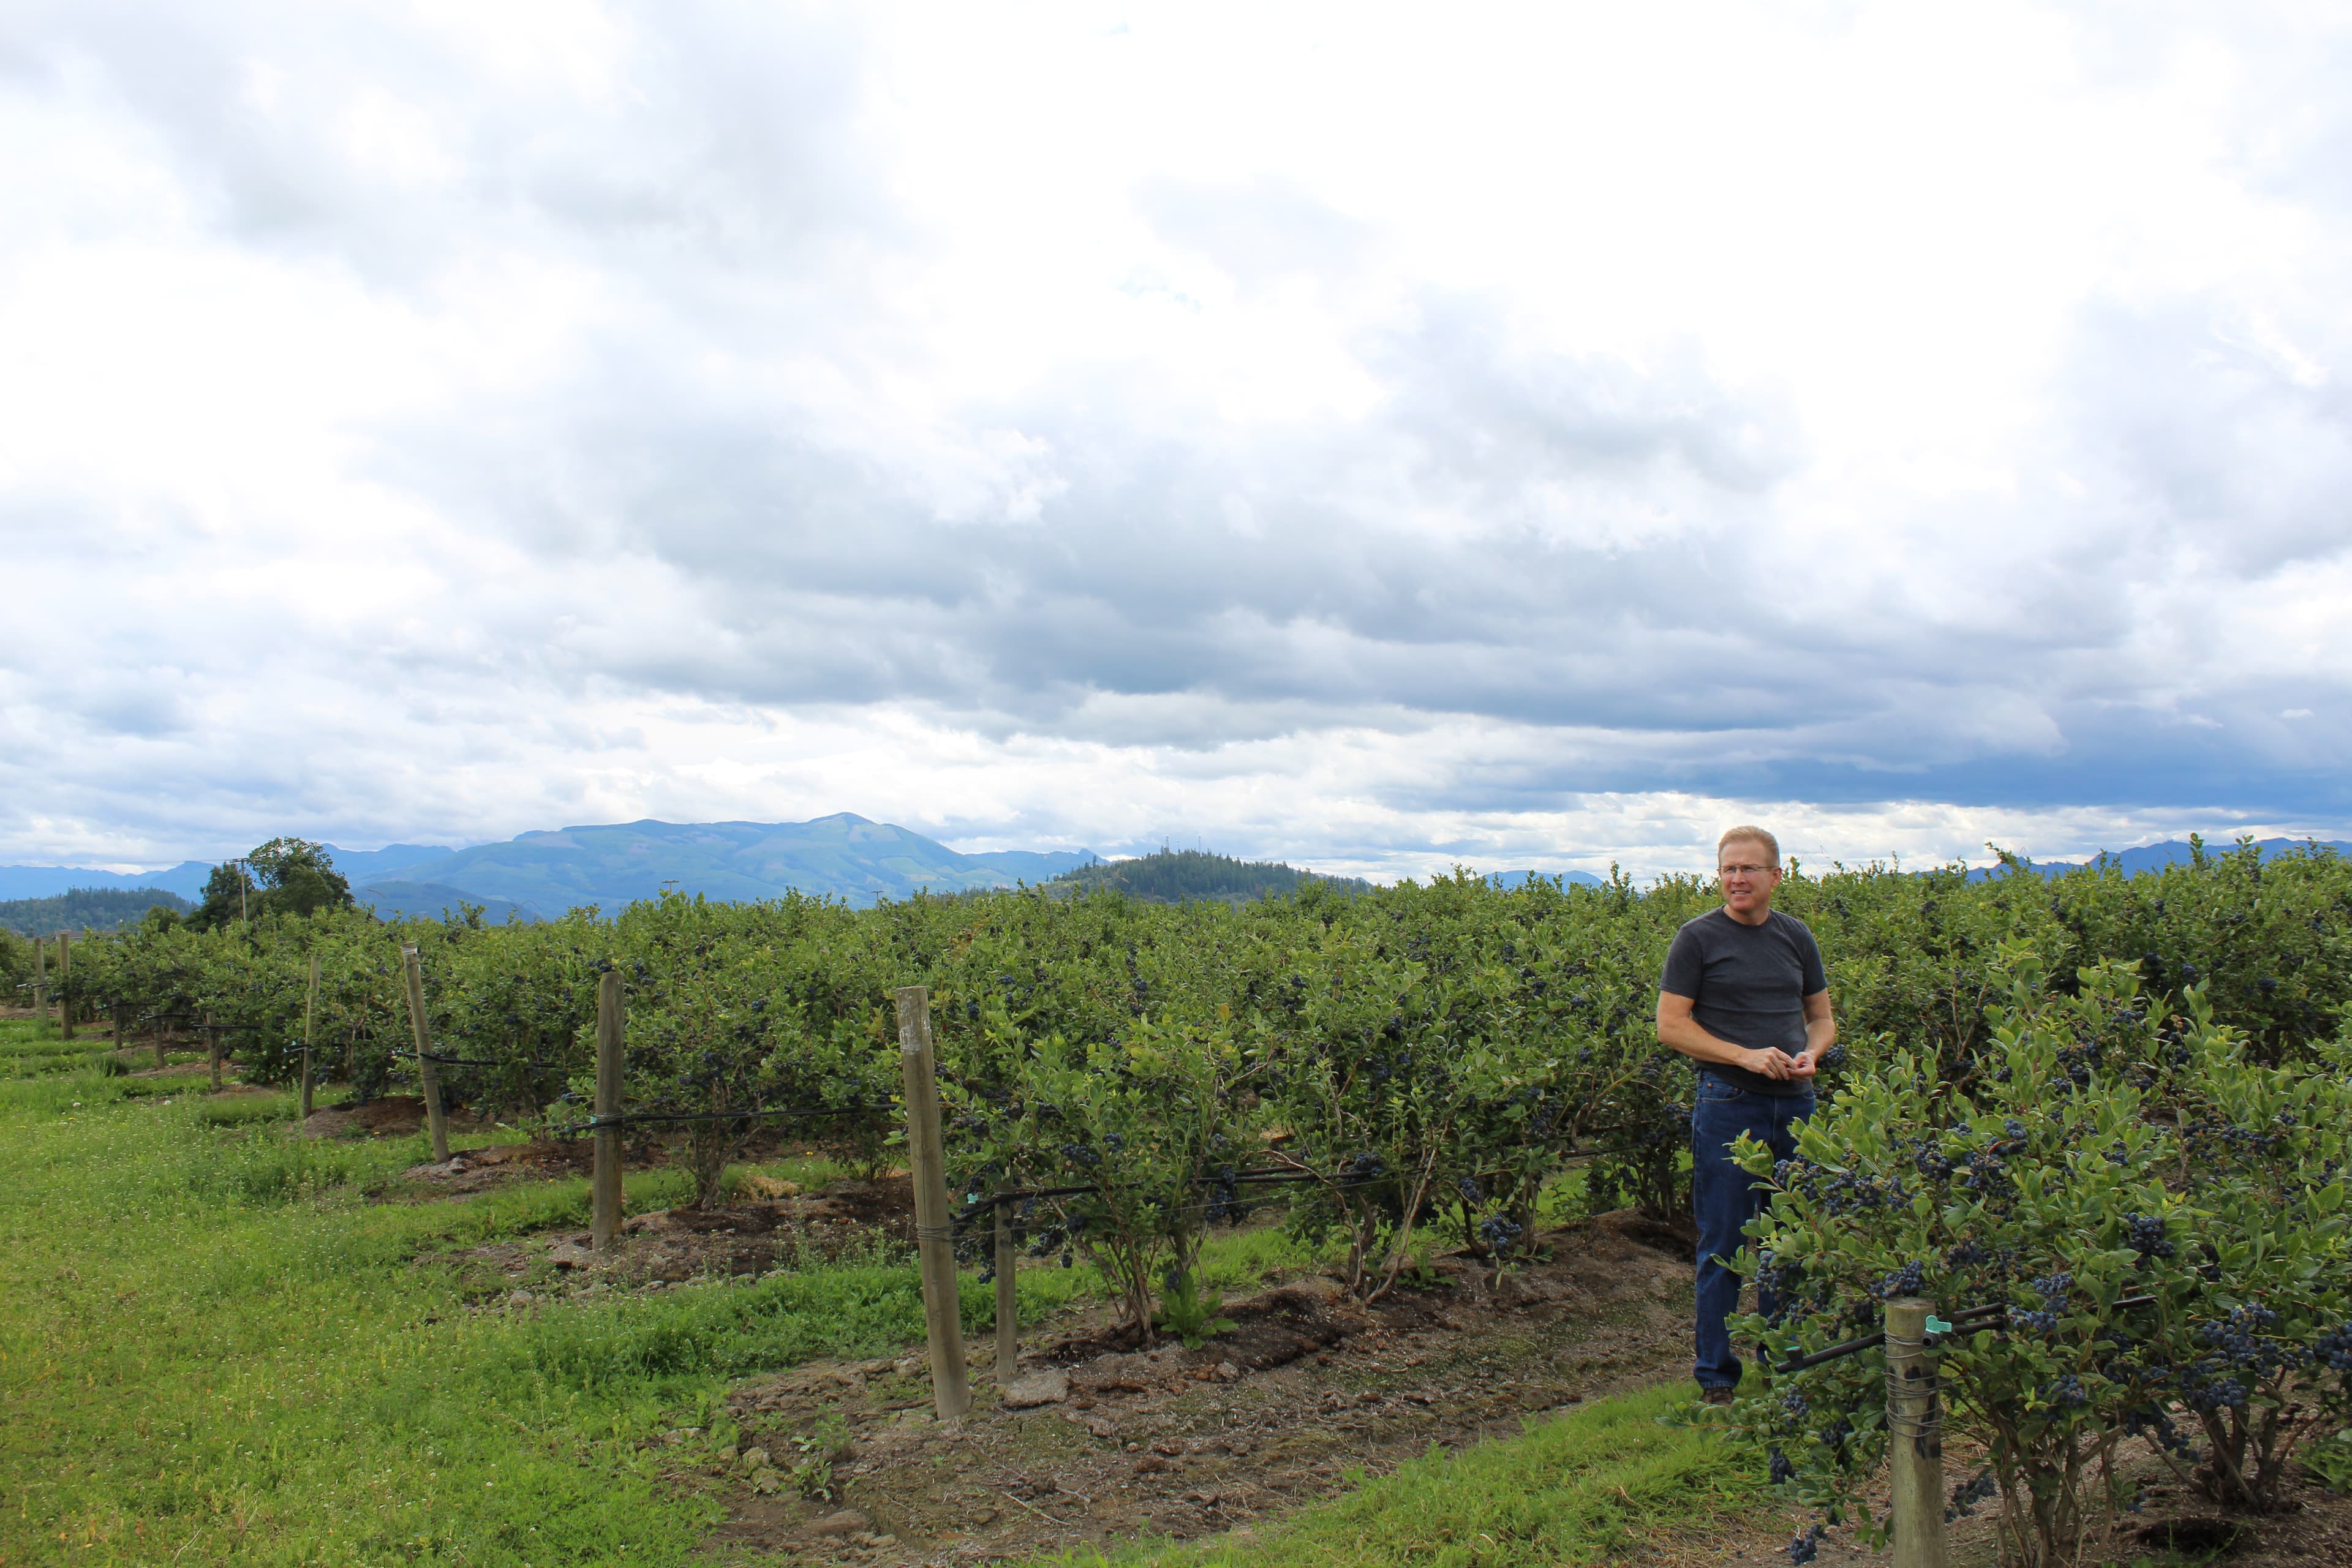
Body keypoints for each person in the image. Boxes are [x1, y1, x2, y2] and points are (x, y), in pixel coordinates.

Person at [1656, 825, 1835, 1403]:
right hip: (1729, 1104)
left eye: (1748, 869)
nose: (1737, 879)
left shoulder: (1796, 937)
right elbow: (1671, 1027)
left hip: (1796, 1105)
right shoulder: (1697, 939)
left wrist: (1813, 1054)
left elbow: (1821, 1018)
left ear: (1776, 876)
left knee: (1789, 1240)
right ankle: (1716, 1378)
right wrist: (1745, 1056)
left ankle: (1782, 1367)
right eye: (1728, 869)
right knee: (1725, 1244)